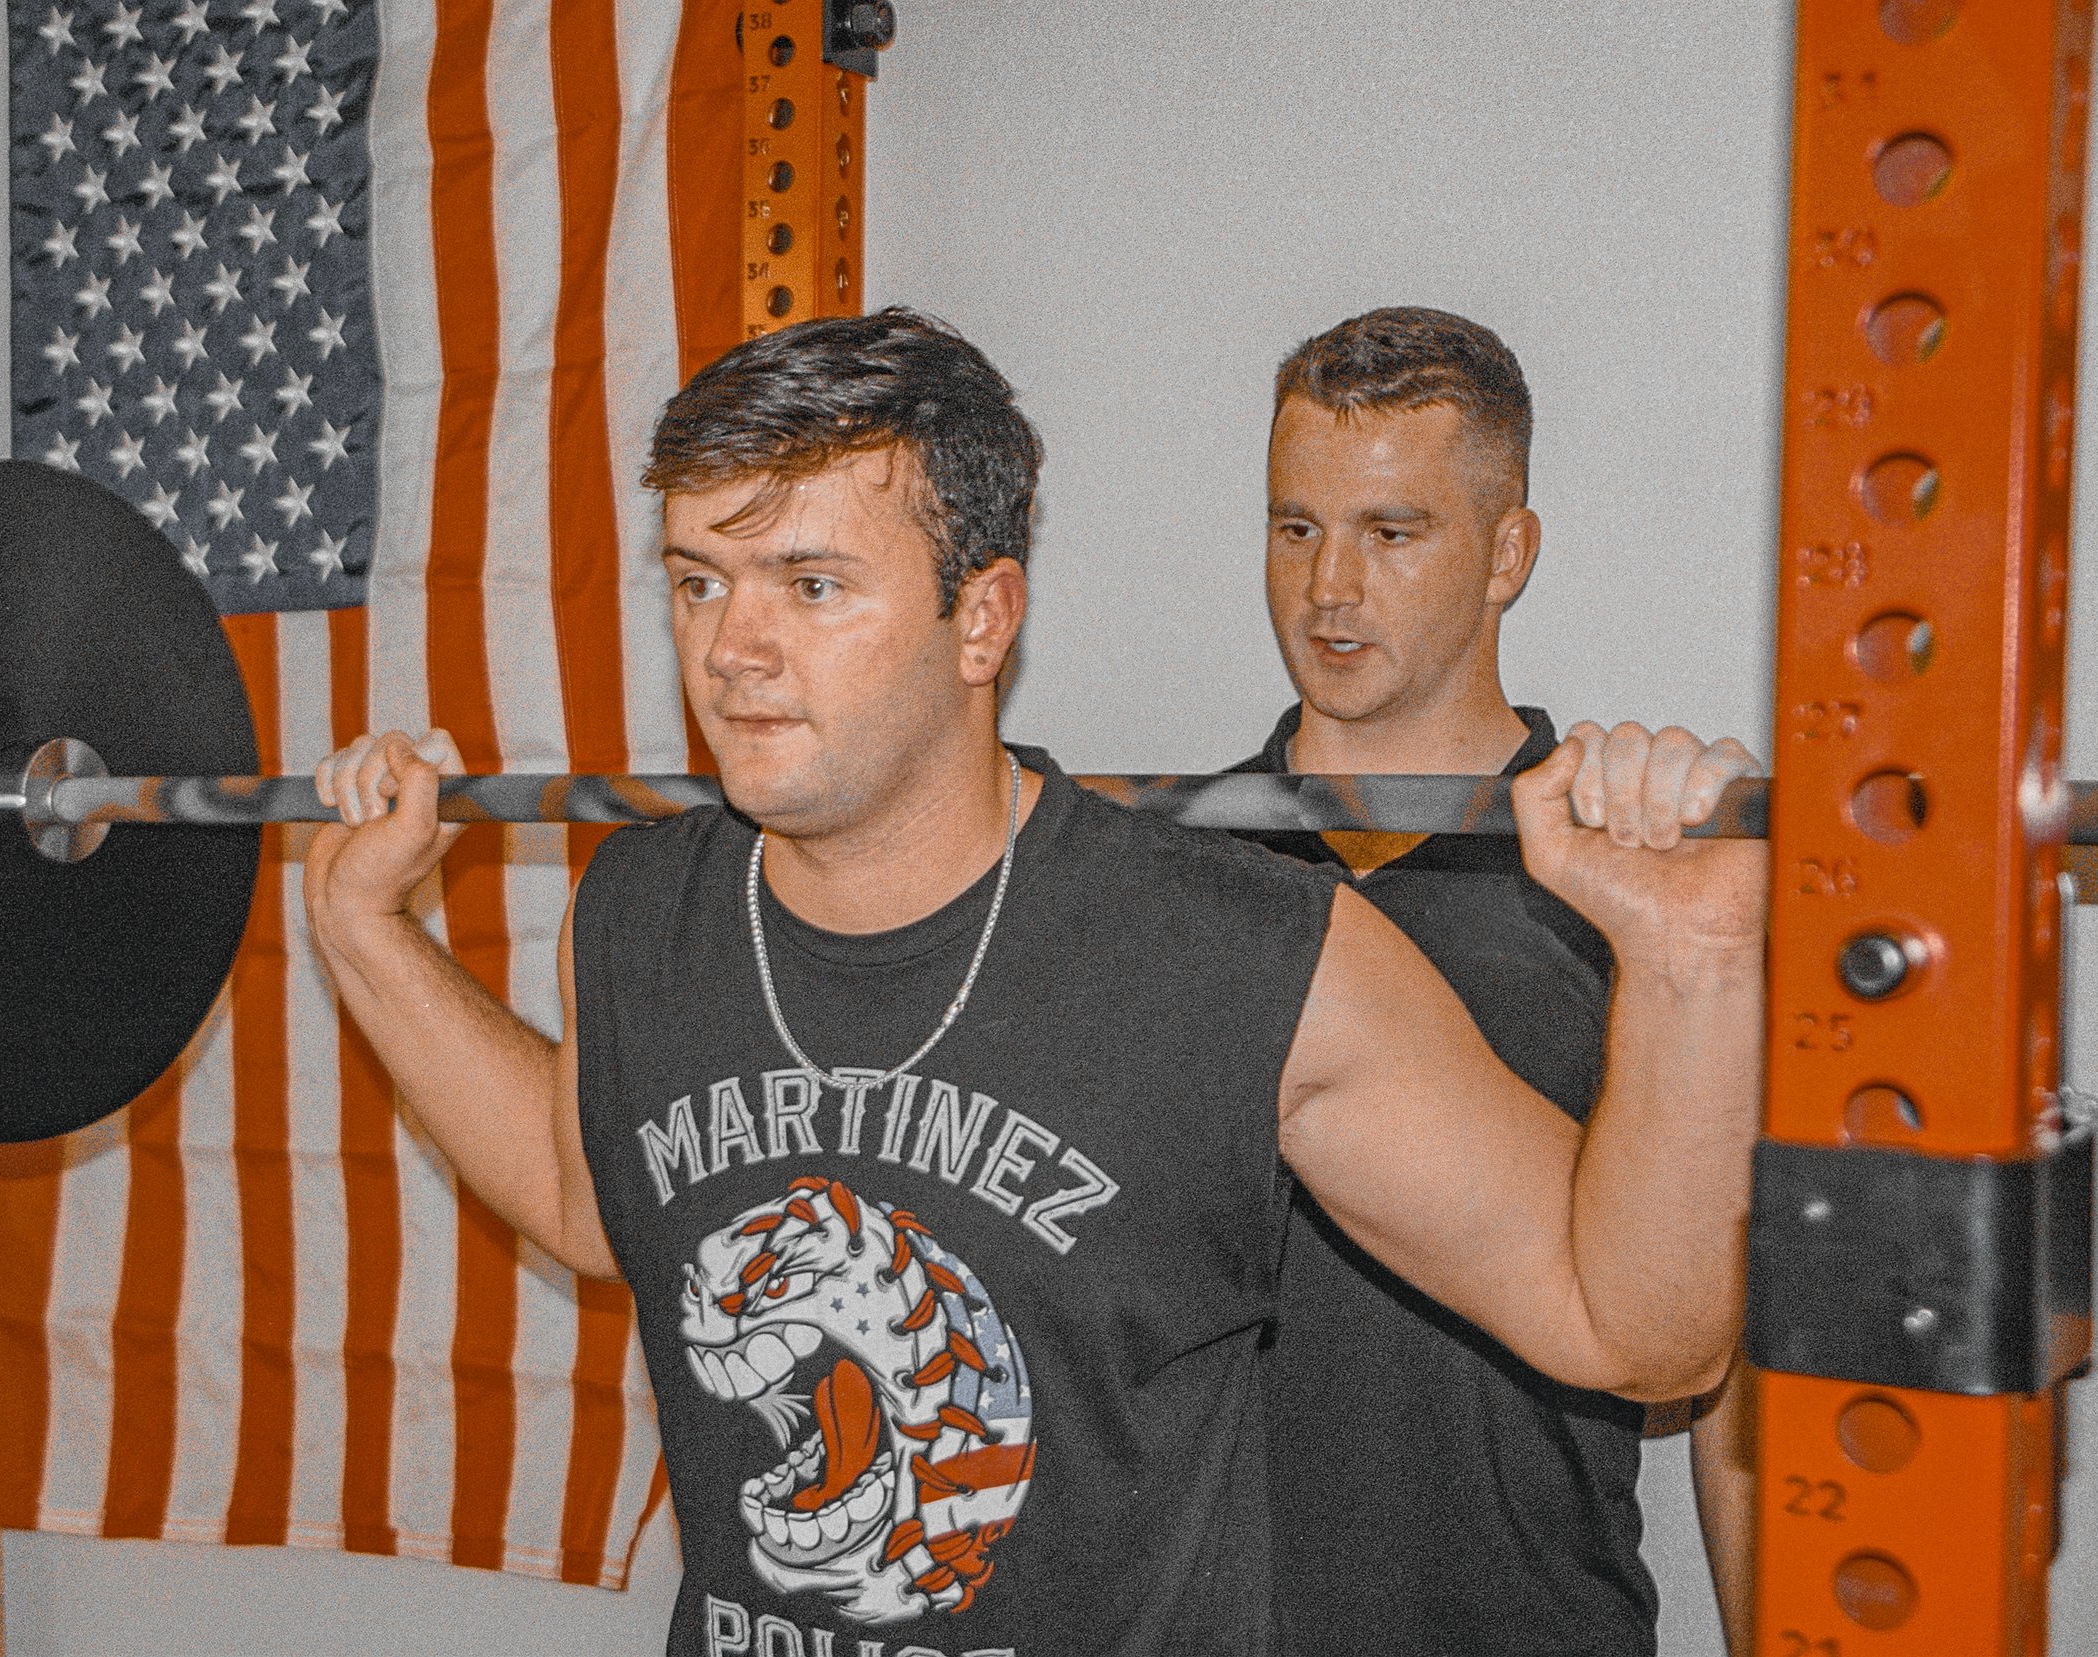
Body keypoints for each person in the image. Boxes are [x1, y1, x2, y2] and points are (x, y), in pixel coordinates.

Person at [303, 309, 1765, 1657]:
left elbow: (1632, 1328)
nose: (732, 650)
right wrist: (370, 933)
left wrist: (1691, 964)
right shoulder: (638, 908)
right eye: (699, 580)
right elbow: (596, 1196)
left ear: (983, 619)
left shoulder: (1237, 946)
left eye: (811, 584)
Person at [1231, 305, 1752, 1657]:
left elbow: (1736, 1386)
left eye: (1392, 533)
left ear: (1507, 550)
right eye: (1297, 528)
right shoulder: (1173, 880)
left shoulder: (1631, 894)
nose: (1329, 586)